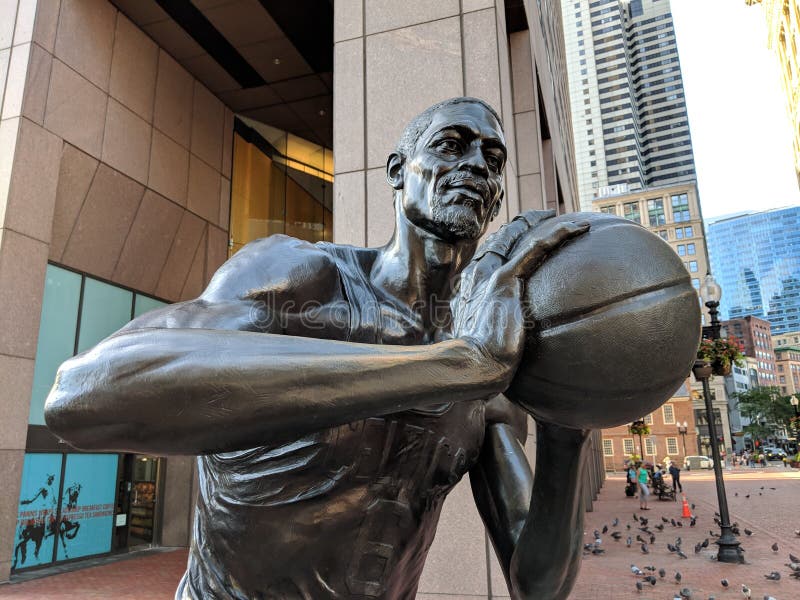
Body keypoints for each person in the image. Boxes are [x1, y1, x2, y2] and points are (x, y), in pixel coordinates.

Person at [44, 98, 592, 600]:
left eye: (493, 159)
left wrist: (569, 429)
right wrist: (454, 366)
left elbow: (537, 585)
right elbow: (82, 395)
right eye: (452, 145)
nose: (476, 165)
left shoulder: (487, 367)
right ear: (398, 171)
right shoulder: (303, 279)